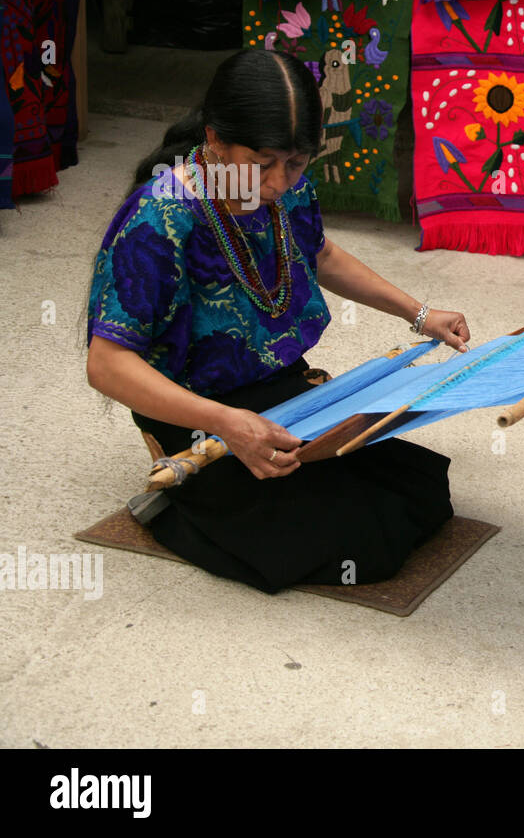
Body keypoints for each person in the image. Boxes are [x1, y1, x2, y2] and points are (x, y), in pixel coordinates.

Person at [85, 49, 471, 594]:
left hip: (276, 390)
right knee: (362, 542)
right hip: (196, 410)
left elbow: (321, 254)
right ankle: (167, 506)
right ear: (215, 139)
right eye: (262, 162)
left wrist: (420, 313)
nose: (278, 182)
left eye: (296, 163)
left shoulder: (285, 192)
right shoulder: (161, 218)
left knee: (419, 490)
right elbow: (106, 365)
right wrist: (224, 422)